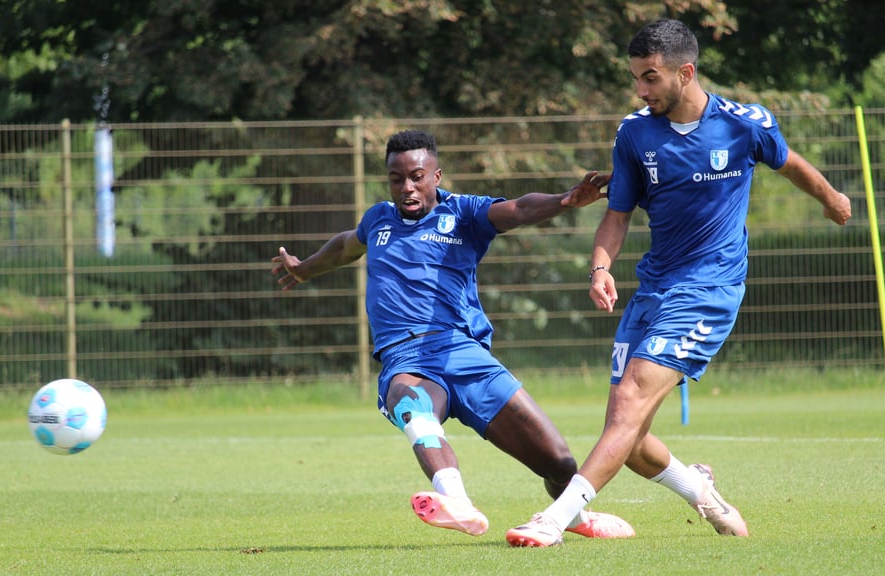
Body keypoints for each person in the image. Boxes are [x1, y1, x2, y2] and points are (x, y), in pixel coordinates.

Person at [506, 19, 853, 547]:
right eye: (635, 78)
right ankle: (703, 493)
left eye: (650, 78)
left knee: (628, 405)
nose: (640, 90)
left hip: (709, 290)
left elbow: (789, 164)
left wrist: (832, 199)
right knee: (629, 437)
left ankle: (554, 520)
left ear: (685, 73)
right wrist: (600, 268)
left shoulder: (745, 124)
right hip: (653, 290)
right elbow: (618, 214)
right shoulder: (634, 133)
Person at [271, 129, 635, 540]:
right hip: (407, 357)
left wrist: (564, 200)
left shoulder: (463, 213)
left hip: (464, 353)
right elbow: (345, 247)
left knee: (560, 464)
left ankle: (576, 517)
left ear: (436, 176)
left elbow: (518, 209)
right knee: (410, 404)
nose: (407, 187)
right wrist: (305, 269)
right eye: (396, 179)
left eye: (417, 177)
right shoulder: (377, 219)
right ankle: (457, 503)